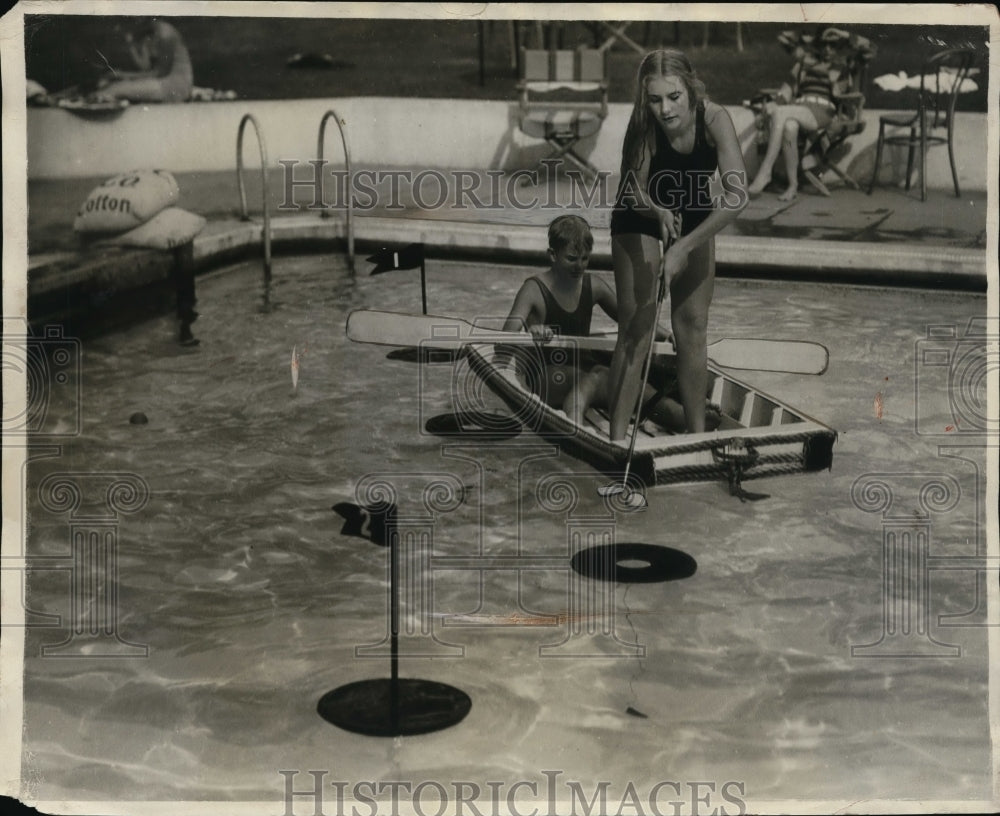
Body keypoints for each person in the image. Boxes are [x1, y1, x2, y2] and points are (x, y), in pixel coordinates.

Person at [606, 50, 747, 442]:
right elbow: (633, 191)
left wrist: (684, 246)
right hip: (640, 214)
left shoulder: (715, 119)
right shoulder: (643, 126)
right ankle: (617, 439)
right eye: (654, 99)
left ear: (691, 89)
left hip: (693, 216)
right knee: (639, 327)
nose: (664, 109)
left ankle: (697, 435)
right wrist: (659, 214)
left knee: (693, 327)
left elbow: (738, 197)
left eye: (674, 97)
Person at [501, 215, 715, 433]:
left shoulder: (593, 285)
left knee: (626, 373)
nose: (579, 266)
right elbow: (503, 344)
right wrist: (532, 329)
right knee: (603, 375)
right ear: (552, 255)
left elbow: (631, 321)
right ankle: (575, 419)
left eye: (584, 259)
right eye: (572, 258)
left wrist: (666, 335)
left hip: (583, 371)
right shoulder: (533, 290)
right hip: (545, 376)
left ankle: (678, 412)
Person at [746, 27, 856, 201]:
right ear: (818, 45)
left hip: (822, 111)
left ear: (839, 47)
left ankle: (766, 171)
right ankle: (793, 186)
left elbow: (869, 49)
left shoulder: (842, 67)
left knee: (781, 113)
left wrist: (842, 33)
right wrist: (775, 102)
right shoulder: (804, 64)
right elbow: (784, 39)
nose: (828, 49)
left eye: (833, 45)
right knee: (790, 127)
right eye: (824, 45)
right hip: (799, 108)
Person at [95, 18, 193, 103]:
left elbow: (160, 73)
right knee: (107, 86)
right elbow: (145, 68)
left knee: (112, 90)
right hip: (164, 82)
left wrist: (121, 75)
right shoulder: (152, 34)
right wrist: (131, 45)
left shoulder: (165, 33)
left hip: (175, 86)